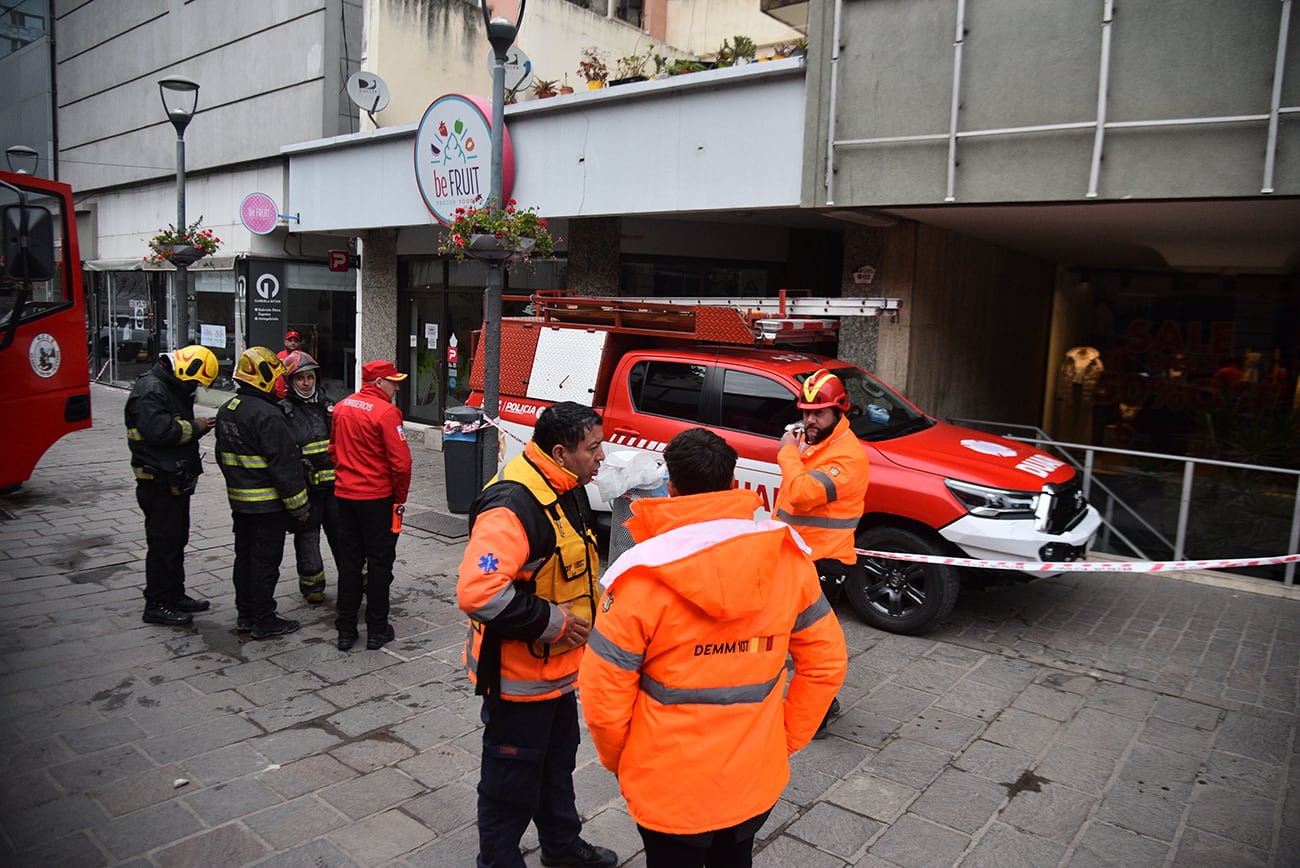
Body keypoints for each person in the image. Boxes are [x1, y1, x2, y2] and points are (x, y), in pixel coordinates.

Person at [578, 428, 846, 868]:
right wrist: (784, 741)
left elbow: (603, 696)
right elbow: (825, 664)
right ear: (733, 481)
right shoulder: (789, 562)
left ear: (673, 486)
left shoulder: (640, 578)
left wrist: (621, 759)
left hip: (667, 784)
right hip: (753, 779)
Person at [456, 401, 616, 868]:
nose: (602, 456)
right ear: (562, 452)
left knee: (556, 769)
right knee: (510, 785)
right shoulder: (514, 505)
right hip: (518, 682)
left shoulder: (566, 487)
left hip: (558, 676)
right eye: (594, 447)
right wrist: (558, 624)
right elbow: (479, 593)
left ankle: (562, 848)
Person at [774, 368, 870, 736]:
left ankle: (816, 715)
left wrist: (787, 452)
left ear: (839, 411)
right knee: (803, 642)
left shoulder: (846, 458)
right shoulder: (818, 444)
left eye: (819, 413)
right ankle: (820, 706)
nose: (809, 420)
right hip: (800, 558)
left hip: (823, 562)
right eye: (805, 412)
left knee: (810, 647)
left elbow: (800, 492)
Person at [215, 347, 312, 639]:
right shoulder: (269, 415)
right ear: (263, 378)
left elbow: (222, 457)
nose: (279, 384)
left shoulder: (228, 409)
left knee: (243, 558)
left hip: (240, 503)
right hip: (267, 507)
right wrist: (300, 507)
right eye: (276, 377)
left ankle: (245, 614)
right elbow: (285, 467)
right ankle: (264, 619)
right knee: (264, 563)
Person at [125, 345, 220, 626]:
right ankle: (156, 603)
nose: (194, 387)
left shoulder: (167, 386)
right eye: (194, 382)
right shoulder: (151, 390)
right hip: (157, 481)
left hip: (172, 479)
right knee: (163, 542)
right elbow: (161, 431)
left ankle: (175, 594)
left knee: (177, 539)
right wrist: (198, 425)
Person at [329, 359, 413, 652]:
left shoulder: (342, 407)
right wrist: (399, 498)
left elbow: (332, 451)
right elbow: (401, 464)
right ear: (378, 383)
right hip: (377, 500)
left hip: (345, 497)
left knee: (349, 564)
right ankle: (377, 629)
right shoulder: (387, 413)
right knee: (379, 565)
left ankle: (345, 629)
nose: (397, 386)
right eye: (393, 381)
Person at [279, 350, 339, 603]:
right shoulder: (283, 411)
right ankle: (312, 585)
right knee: (307, 538)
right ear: (290, 382)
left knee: (343, 534)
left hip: (335, 486)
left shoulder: (329, 406)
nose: (306, 383)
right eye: (300, 378)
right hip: (307, 488)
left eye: (310, 377)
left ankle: (358, 575)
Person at [274, 329, 302, 398]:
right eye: (290, 341)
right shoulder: (280, 355)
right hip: (279, 393)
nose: (293, 343)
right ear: (285, 342)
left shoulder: (303, 356)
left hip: (296, 394)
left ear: (299, 343)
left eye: (295, 341)